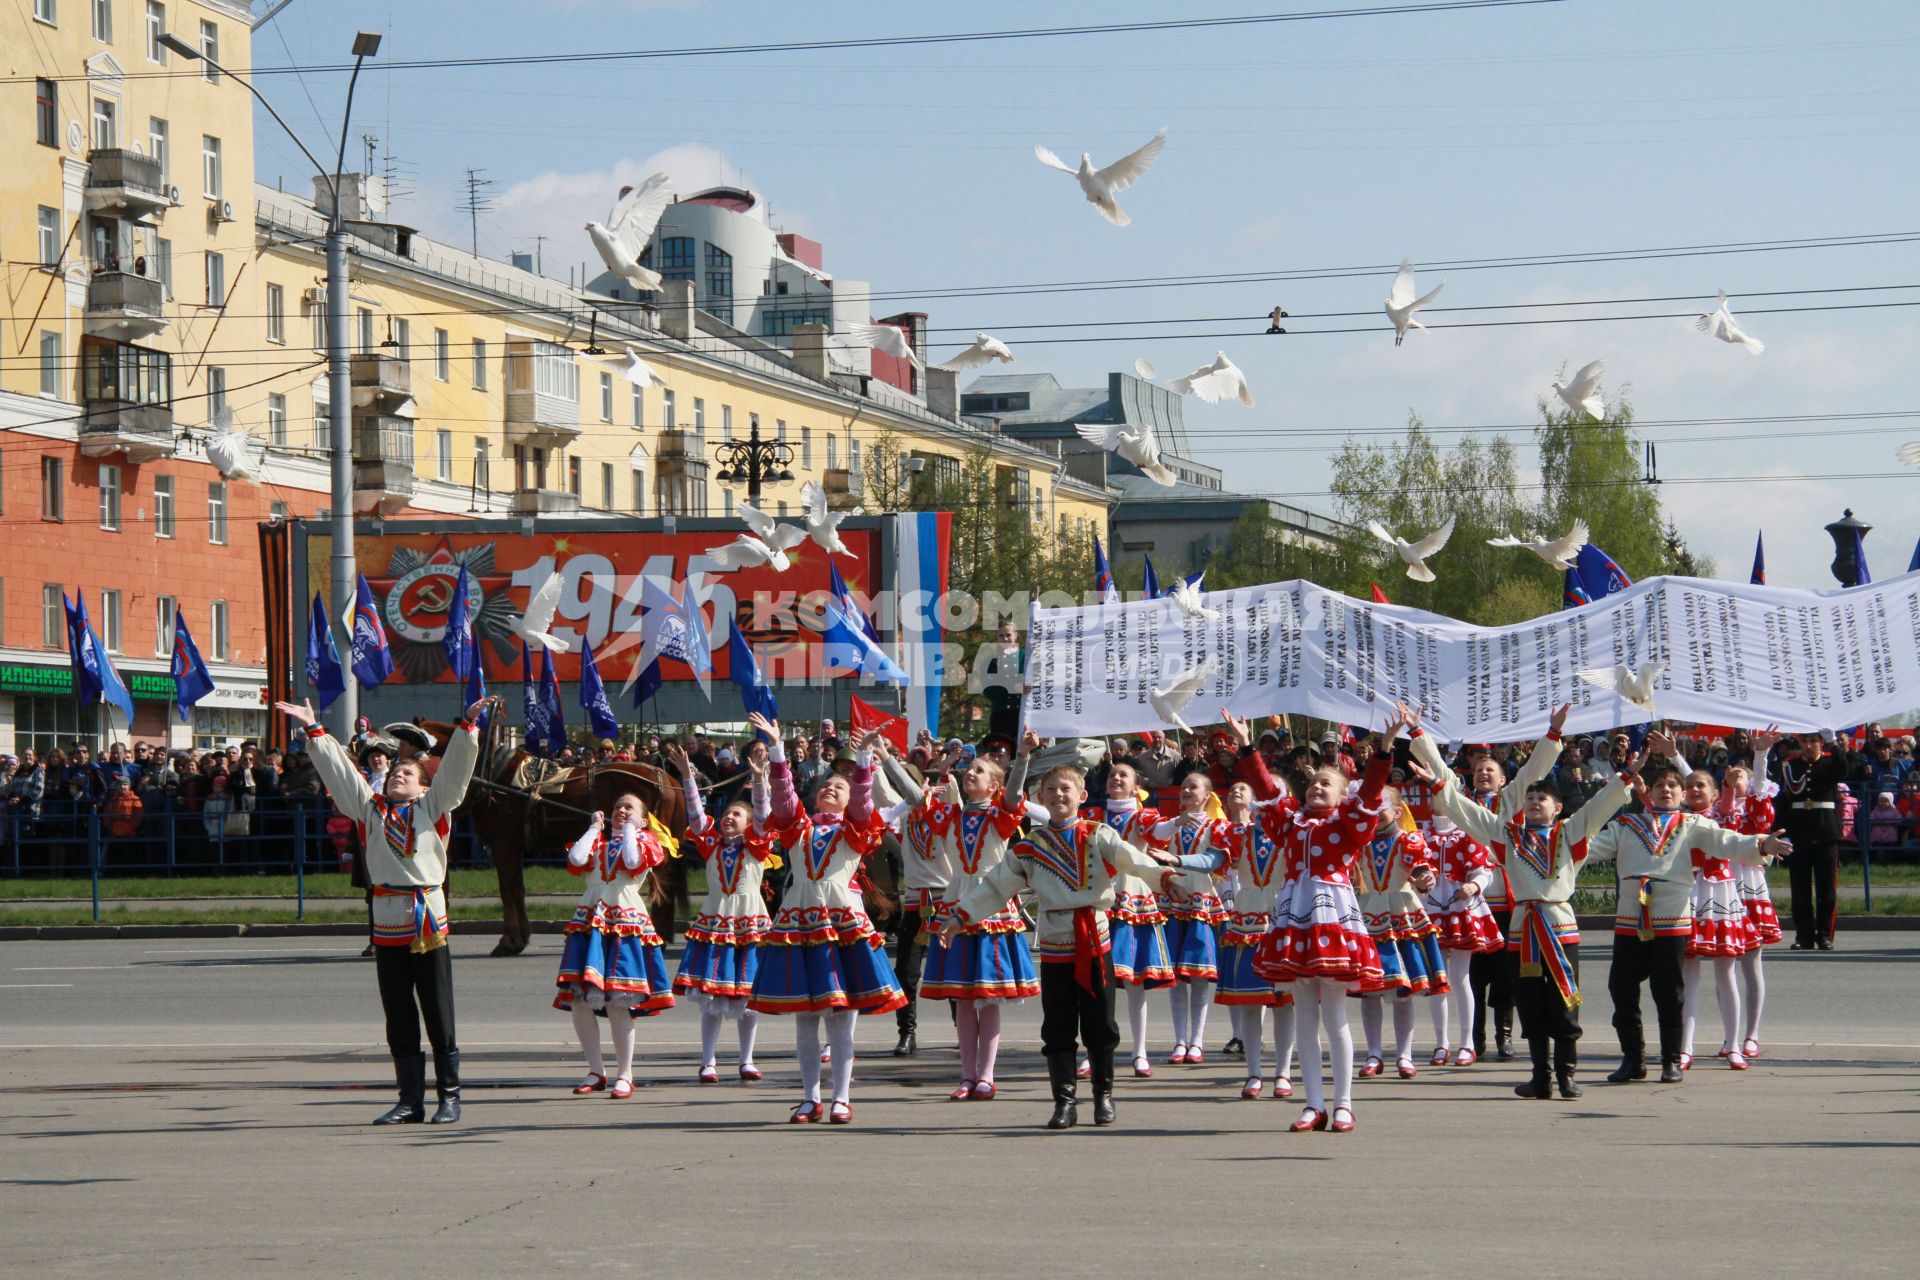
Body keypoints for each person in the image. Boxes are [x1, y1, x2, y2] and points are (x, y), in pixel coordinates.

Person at [278, 695, 487, 1125]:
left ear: (423, 786)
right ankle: (410, 1100)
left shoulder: (433, 808)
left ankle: (450, 1096)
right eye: (393, 772)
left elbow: (454, 776)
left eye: (407, 773)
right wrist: (315, 731)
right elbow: (342, 778)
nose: (397, 776)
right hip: (388, 921)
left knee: (438, 1011)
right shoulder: (369, 813)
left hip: (427, 918)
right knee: (399, 1015)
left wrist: (467, 729)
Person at [939, 757, 1179, 1129]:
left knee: (1101, 1026)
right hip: (1055, 945)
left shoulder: (1098, 834)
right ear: (1042, 799)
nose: (1058, 794)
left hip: (1095, 940)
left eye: (1066, 788)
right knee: (1057, 1027)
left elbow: (1133, 860)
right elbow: (996, 886)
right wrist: (960, 916)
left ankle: (1103, 1095)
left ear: (1082, 795)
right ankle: (1064, 1101)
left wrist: (1165, 878)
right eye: (1050, 790)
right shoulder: (1031, 845)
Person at [1410, 711, 1632, 1100]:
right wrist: (1425, 751)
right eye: (1529, 797)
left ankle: (1566, 1073)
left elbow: (1596, 808)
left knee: (1564, 999)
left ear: (1558, 807)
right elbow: (1464, 810)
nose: (1532, 801)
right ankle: (1540, 1075)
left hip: (1559, 925)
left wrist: (1623, 775)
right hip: (1520, 926)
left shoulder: (1569, 834)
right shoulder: (1507, 835)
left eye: (1541, 797)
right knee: (1528, 1002)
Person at [1585, 759, 1790, 1084]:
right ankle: (1633, 1058)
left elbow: (1727, 841)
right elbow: (1588, 848)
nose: (1666, 790)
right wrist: (1550, 846)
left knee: (1669, 991)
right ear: (1649, 794)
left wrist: (1761, 843)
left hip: (1671, 920)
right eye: (1659, 786)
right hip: (1630, 920)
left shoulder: (1692, 824)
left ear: (1681, 795)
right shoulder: (1626, 826)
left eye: (1672, 786)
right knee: (1621, 988)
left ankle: (1671, 1060)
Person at [1252, 709, 1409, 1134]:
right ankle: (1313, 1103)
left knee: (1336, 1013)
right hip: (1295, 914)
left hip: (1332, 915)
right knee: (1304, 1012)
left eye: (1328, 784)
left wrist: (1385, 748)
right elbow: (1267, 791)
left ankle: (1343, 1103)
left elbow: (1373, 789)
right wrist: (1249, 748)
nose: (1317, 787)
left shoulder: (1349, 823)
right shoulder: (1291, 824)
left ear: (1343, 796)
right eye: (1314, 783)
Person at [748, 715, 906, 1125]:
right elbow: (784, 800)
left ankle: (841, 1097)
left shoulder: (856, 828)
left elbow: (863, 801)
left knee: (841, 1017)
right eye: (825, 786)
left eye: (839, 785)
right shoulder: (798, 827)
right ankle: (809, 1097)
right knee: (806, 1017)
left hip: (842, 923)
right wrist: (779, 749)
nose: (830, 788)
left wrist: (866, 757)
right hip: (800, 922)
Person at [913, 732, 1041, 1101]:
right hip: (954, 905)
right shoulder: (951, 815)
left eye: (980, 770)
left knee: (988, 997)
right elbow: (912, 797)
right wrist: (883, 759)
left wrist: (1023, 756)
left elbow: (1015, 795)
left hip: (992, 907)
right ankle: (967, 1076)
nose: (971, 773)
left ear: (994, 784)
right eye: (970, 768)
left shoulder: (1002, 816)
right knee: (964, 999)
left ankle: (986, 1075)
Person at [555, 778, 677, 1099]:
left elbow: (634, 861)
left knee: (618, 1003)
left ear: (643, 817)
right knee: (580, 1000)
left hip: (623, 922)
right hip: (590, 922)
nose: (621, 810)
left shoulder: (646, 841)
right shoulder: (598, 843)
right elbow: (577, 860)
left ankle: (625, 1073)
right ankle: (596, 1070)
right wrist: (595, 828)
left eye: (629, 807)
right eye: (617, 807)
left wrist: (631, 830)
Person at [1461, 708, 1568, 1061]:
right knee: (1472, 978)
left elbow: (1535, 770)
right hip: (1470, 904)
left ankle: (1503, 1037)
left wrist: (1552, 734)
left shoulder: (1512, 803)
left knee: (1507, 977)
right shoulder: (1460, 806)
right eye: (1478, 771)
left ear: (1505, 780)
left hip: (1507, 902)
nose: (1483, 775)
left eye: (1490, 770)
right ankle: (1472, 1039)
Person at [672, 742, 774, 1083]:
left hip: (749, 922)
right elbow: (696, 817)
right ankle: (708, 1060)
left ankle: (747, 1060)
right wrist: (688, 777)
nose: (729, 818)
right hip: (716, 922)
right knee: (711, 996)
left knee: (748, 995)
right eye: (727, 814)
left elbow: (762, 815)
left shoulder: (757, 846)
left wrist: (759, 781)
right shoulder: (712, 845)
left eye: (737, 815)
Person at [1082, 757, 1173, 1077]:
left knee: (1134, 982)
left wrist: (1181, 820)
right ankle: (1094, 1050)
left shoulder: (1142, 817)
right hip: (1099, 904)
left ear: (1137, 787)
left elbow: (1161, 830)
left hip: (1133, 904)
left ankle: (1139, 1051)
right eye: (1112, 775)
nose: (1115, 779)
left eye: (1123, 775)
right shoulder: (1093, 816)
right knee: (1097, 981)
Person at [1352, 788, 1444, 1081]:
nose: (1375, 813)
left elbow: (1422, 871)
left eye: (1381, 807)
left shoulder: (1408, 840)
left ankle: (1404, 1054)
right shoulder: (1359, 841)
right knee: (1370, 992)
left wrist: (1425, 879)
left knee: (1403, 991)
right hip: (1367, 915)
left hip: (1401, 914)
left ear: (1398, 812)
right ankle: (1373, 1053)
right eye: (1370, 807)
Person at [1148, 771, 1228, 1067]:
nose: (1185, 790)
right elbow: (1153, 850)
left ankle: (1197, 1041)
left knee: (1198, 977)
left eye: (1192, 786)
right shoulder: (1170, 827)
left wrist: (1177, 861)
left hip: (1200, 905)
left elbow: (1214, 861)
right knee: (1177, 980)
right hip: (1174, 904)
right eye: (1183, 786)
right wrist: (1167, 873)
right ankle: (1180, 1040)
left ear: (1206, 795)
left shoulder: (1217, 826)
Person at [1418, 806, 1503, 1066]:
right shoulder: (1420, 833)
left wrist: (1474, 885)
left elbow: (1483, 869)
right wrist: (1418, 881)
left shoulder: (1467, 831)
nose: (1440, 801)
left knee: (1461, 976)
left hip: (1460, 907)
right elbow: (1409, 868)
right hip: (1428, 906)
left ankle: (1467, 1043)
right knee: (1436, 976)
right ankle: (1441, 1043)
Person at [1724, 735, 1785, 1058]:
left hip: (1748, 883)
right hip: (1718, 884)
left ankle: (1752, 1033)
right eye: (1731, 776)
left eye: (1741, 776)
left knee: (1752, 964)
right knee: (1724, 966)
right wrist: (1676, 756)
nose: (1736, 779)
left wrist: (1760, 753)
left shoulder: (1756, 807)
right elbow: (1697, 783)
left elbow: (1759, 784)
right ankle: (1729, 1036)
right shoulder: (1717, 812)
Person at [1776, 734, 1845, 951]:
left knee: (1827, 889)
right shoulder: (1791, 766)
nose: (1807, 746)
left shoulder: (1829, 764)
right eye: (1804, 742)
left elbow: (1844, 768)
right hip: (1798, 832)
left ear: (1821, 744)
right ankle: (1804, 936)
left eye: (1813, 741)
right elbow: (1783, 801)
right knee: (1800, 889)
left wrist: (1834, 743)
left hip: (1825, 831)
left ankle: (1824, 935)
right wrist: (1781, 832)